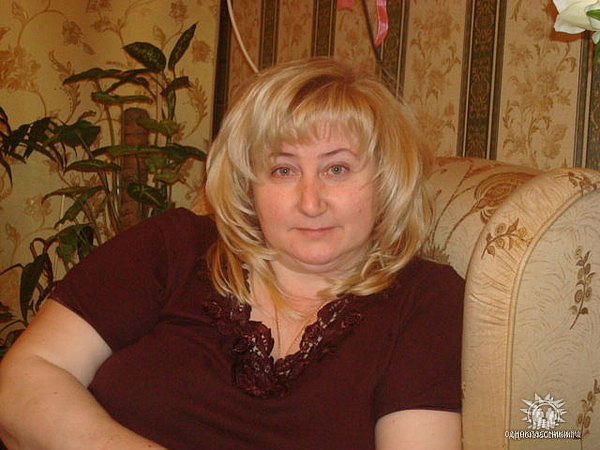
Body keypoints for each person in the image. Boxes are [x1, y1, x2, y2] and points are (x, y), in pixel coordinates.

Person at [0, 57, 464, 449]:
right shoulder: (171, 247)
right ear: (248, 185)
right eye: (283, 170)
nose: (310, 202)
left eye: (337, 169)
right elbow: (23, 378)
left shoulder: (424, 300)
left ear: (386, 179)